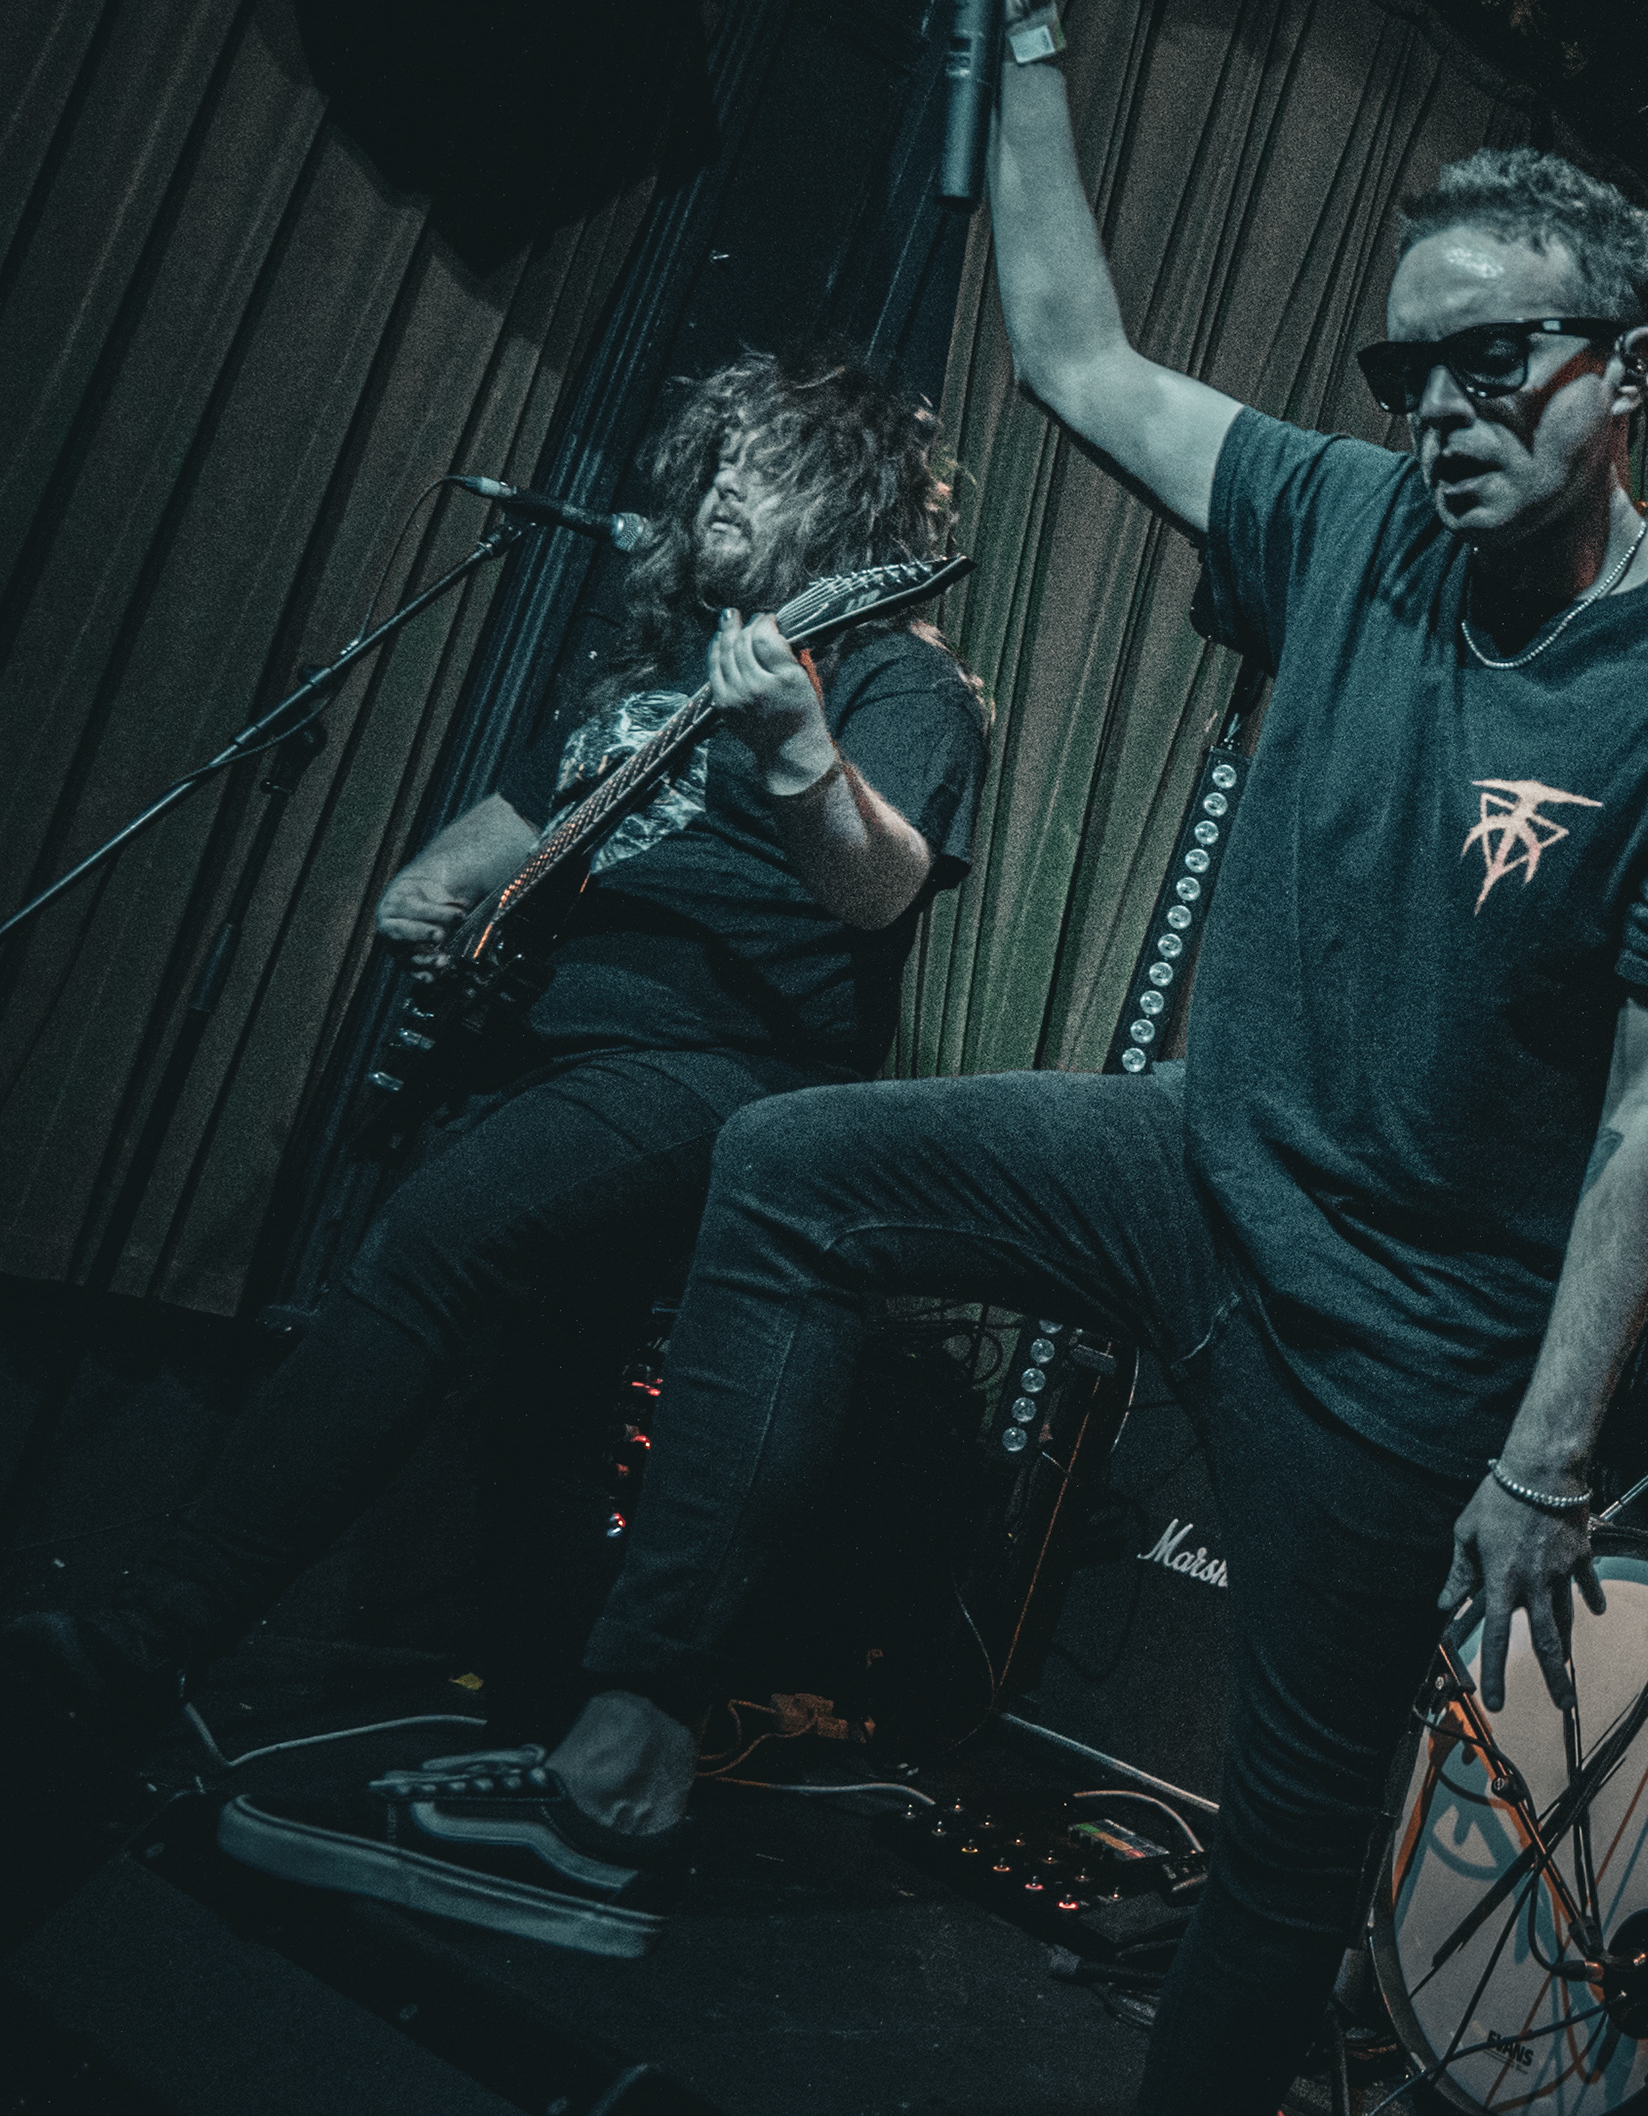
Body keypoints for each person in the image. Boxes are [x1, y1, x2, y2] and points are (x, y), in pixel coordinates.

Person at [200, 0, 1648, 2116]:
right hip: (1196, 1159)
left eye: (1497, 363)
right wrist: (1040, 33)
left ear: (1631, 367)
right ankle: (635, 1726)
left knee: (1285, 1849)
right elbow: (1073, 352)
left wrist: (1551, 1456)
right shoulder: (1345, 516)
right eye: (1410, 368)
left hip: (1406, 1321)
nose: (1443, 410)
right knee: (789, 1168)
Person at [2, 350, 988, 1750]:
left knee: (430, 1249)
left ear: (845, 495)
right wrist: (438, 903)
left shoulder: (896, 678)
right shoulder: (661, 685)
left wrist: (794, 749)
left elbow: (878, 889)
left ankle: (152, 1632)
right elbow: (487, 844)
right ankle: (540, 1721)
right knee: (542, 1401)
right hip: (548, 1053)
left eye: (762, 467)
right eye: (715, 462)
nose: (721, 488)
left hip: (717, 1063)